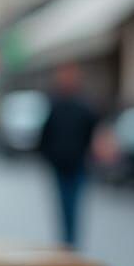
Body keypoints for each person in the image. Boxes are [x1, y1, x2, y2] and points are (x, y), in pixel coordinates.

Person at [37, 64, 99, 247]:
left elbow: (92, 133)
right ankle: (67, 241)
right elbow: (45, 136)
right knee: (64, 204)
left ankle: (71, 241)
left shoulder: (84, 106)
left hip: (77, 165)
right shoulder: (55, 106)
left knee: (73, 205)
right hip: (60, 165)